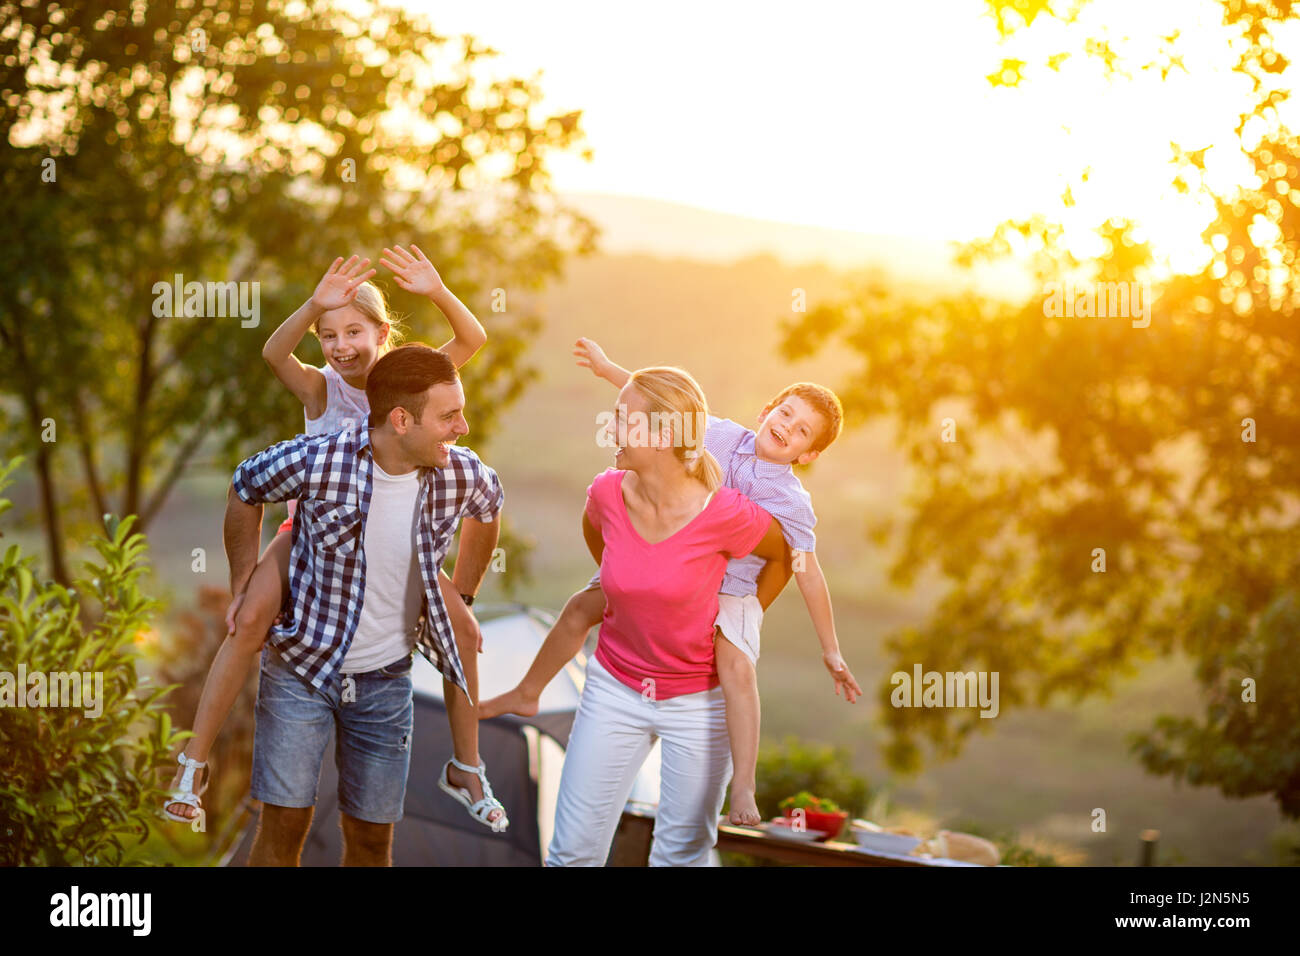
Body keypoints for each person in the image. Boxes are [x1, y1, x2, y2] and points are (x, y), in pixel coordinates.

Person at [165, 249, 493, 827]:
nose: (341, 346)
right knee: (248, 622)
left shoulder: (409, 384)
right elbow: (273, 353)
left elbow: (471, 338)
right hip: (313, 534)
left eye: (354, 331)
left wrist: (437, 291)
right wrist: (315, 303)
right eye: (328, 335)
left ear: (382, 332)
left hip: (396, 540)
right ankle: (193, 763)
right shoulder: (321, 388)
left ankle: (467, 767)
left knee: (463, 632)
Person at [482, 337, 861, 826]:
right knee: (581, 606)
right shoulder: (721, 435)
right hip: (670, 564)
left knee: (736, 666)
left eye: (802, 430)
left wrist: (830, 650)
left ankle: (743, 787)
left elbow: (806, 571)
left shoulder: (791, 501)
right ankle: (529, 690)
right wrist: (607, 369)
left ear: (808, 455)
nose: (787, 427)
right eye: (785, 413)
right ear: (768, 408)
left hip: (733, 589)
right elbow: (660, 402)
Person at [225, 343, 506, 866]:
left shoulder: (460, 473)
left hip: (385, 683)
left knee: (373, 841)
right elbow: (245, 488)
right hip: (300, 672)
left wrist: (462, 595)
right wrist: (243, 582)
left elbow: (490, 507)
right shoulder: (321, 460)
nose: (462, 427)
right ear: (401, 420)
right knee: (284, 827)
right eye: (449, 416)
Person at [544, 367, 791, 866]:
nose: (611, 428)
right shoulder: (607, 492)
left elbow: (783, 557)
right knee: (571, 854)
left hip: (700, 703)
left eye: (622, 418)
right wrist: (638, 586)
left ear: (661, 435)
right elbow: (604, 546)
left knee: (680, 858)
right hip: (615, 686)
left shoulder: (726, 512)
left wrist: (744, 616)